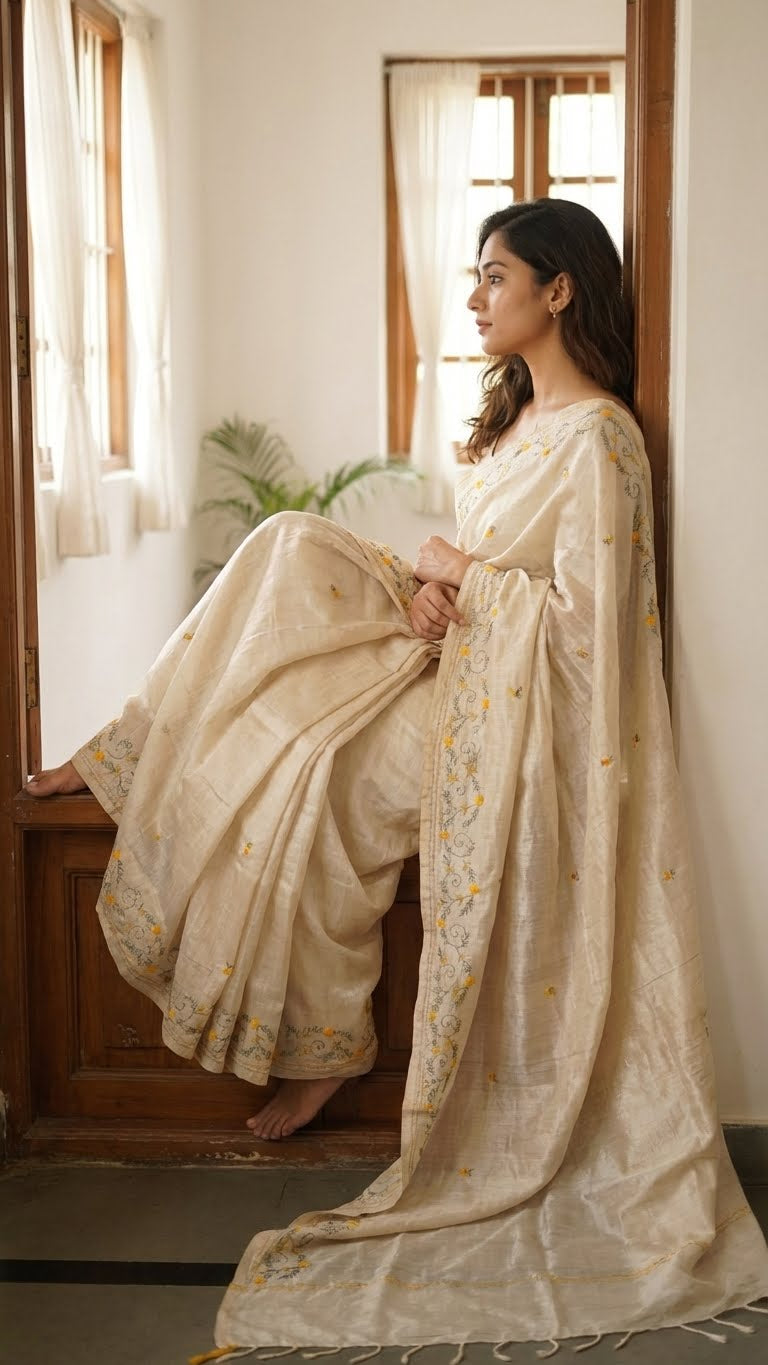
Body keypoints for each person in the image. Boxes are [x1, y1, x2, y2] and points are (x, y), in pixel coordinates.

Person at [27, 201, 768, 1355]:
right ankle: (118, 752)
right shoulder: (520, 423)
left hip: (513, 721)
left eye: (494, 277)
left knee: (319, 777)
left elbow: (594, 638)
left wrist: (460, 575)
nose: (474, 298)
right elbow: (477, 579)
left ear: (559, 290)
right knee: (281, 552)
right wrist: (434, 591)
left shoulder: (602, 441)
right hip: (454, 662)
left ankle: (331, 1050)